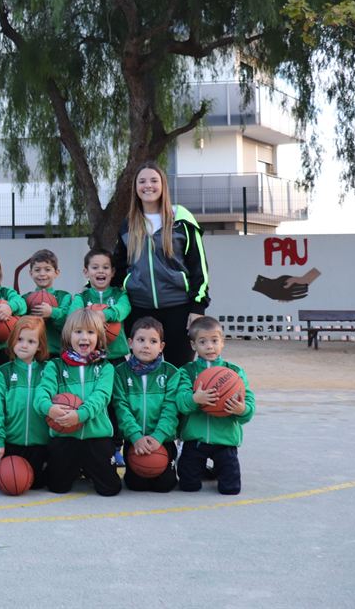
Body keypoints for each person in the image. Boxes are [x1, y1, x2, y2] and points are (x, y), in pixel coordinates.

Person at [113, 162, 210, 367]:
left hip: (179, 309)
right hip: (139, 310)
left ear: (163, 185)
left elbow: (198, 266)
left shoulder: (181, 219)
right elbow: (118, 268)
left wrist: (198, 307)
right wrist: (93, 290)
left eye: (154, 180)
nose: (148, 185)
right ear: (135, 188)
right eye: (142, 181)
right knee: (143, 371)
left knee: (178, 371)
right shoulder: (128, 224)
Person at [33, 307, 121, 496]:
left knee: (110, 489)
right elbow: (42, 392)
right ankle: (74, 467)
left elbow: (101, 396)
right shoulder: (55, 366)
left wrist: (80, 415)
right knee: (57, 487)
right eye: (78, 331)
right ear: (68, 335)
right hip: (65, 436)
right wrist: (49, 408)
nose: (84, 337)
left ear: (99, 337)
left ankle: (87, 467)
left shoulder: (105, 367)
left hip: (96, 436)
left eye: (90, 332)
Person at [175, 316, 256, 495]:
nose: (209, 346)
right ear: (193, 345)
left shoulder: (234, 372)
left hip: (225, 440)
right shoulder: (187, 371)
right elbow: (180, 402)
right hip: (195, 440)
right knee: (188, 486)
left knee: (230, 489)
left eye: (214, 341)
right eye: (202, 342)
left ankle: (218, 468)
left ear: (222, 342)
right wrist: (195, 399)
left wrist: (242, 410)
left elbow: (249, 403)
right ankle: (200, 469)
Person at [68, 248, 132, 466]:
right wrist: (91, 318)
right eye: (95, 267)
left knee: (116, 404)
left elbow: (122, 310)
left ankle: (117, 447)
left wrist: (102, 314)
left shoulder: (120, 295)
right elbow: (75, 315)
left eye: (105, 267)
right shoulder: (82, 297)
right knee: (93, 402)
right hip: (90, 360)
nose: (100, 271)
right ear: (86, 272)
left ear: (113, 272)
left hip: (115, 359)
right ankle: (93, 444)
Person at [111, 316, 180, 492]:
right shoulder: (120, 372)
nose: (146, 345)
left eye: (153, 341)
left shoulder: (171, 372)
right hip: (134, 440)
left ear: (161, 346)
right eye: (141, 340)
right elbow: (121, 408)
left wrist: (158, 437)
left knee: (165, 486)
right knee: (136, 485)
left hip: (163, 440)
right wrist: (135, 436)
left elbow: (171, 409)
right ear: (130, 343)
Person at [0, 316, 51, 489]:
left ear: (40, 346)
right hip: (12, 443)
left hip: (41, 443)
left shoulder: (48, 370)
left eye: (31, 341)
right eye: (20, 339)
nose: (24, 345)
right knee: (11, 483)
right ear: (12, 341)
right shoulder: (3, 372)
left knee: (37, 484)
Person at [23, 249, 71, 358]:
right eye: (37, 270)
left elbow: (68, 323)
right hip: (32, 353)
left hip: (57, 353)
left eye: (47, 269)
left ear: (56, 273)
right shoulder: (25, 299)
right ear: (31, 273)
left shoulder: (64, 296)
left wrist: (52, 312)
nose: (42, 274)